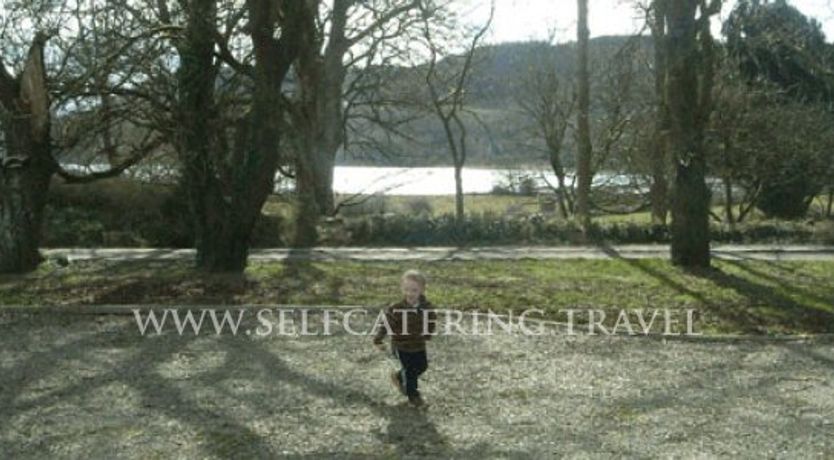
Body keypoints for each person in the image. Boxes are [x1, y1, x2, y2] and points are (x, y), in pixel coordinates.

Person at [373, 269, 437, 407]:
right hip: (401, 345)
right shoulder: (397, 308)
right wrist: (378, 339)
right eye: (406, 289)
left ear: (422, 290)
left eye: (414, 290)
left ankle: (398, 376)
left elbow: (431, 320)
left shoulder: (427, 307)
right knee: (410, 371)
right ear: (402, 288)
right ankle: (413, 396)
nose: (410, 293)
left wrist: (428, 333)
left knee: (422, 366)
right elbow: (386, 324)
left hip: (418, 344)